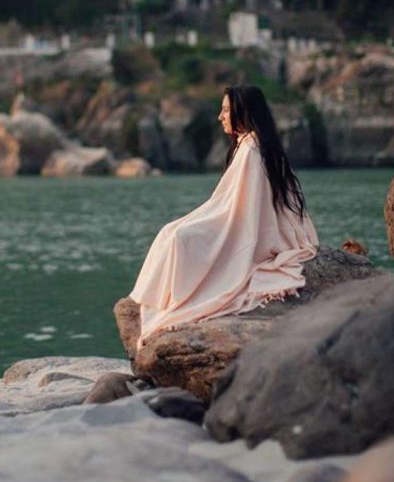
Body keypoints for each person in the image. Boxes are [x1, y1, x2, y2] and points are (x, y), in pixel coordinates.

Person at [127, 85, 320, 348]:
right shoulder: (251, 144)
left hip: (248, 226)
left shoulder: (252, 148)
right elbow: (231, 202)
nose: (221, 116)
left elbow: (246, 211)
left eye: (227, 110)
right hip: (239, 220)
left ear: (244, 112)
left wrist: (206, 225)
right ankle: (167, 298)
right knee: (171, 233)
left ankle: (176, 300)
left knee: (179, 238)